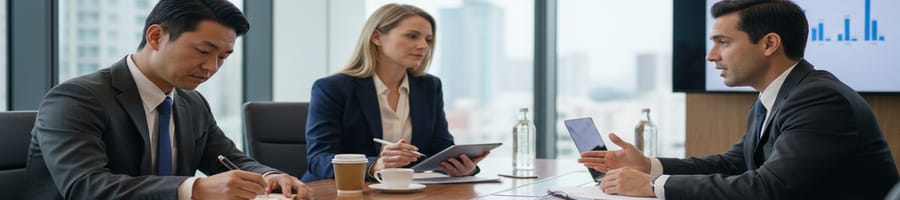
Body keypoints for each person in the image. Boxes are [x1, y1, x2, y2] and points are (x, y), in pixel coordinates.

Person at [578, 0, 898, 199]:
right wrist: (649, 165)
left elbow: (768, 188)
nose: (710, 55)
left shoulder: (820, 99)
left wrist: (652, 185)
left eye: (723, 42)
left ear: (769, 43)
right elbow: (734, 163)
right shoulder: (778, 94)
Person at [25, 0, 310, 199]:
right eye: (202, 51)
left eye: (223, 57)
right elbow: (86, 188)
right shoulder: (77, 99)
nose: (211, 67)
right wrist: (194, 190)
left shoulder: (192, 104)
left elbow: (229, 160)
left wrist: (269, 176)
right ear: (156, 36)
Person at [303, 3, 489, 182]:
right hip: (341, 191)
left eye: (428, 39)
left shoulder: (429, 87)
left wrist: (464, 166)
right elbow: (319, 159)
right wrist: (376, 165)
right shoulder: (333, 88)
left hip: (407, 190)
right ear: (376, 37)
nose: (424, 46)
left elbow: (440, 147)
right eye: (412, 36)